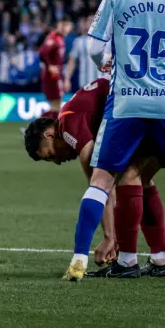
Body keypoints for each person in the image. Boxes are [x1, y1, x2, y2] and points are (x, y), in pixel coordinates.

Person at [65, 0, 165, 281]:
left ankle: (81, 259)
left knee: (102, 180)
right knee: (142, 177)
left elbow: (93, 47)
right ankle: (154, 258)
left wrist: (107, 63)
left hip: (128, 103)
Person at [24, 78, 165, 277]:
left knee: (122, 178)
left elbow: (102, 188)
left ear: (49, 135)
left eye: (50, 155)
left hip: (135, 105)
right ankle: (159, 258)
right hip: (153, 98)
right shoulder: (75, 114)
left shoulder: (68, 127)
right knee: (140, 179)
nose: (56, 162)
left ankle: (127, 262)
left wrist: (110, 237)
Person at [38, 19, 73, 119]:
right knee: (56, 103)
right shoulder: (53, 38)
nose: (68, 29)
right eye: (66, 26)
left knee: (56, 104)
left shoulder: (60, 38)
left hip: (56, 75)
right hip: (51, 76)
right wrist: (49, 66)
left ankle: (36, 127)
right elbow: (42, 52)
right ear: (61, 25)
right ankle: (37, 127)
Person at [64, 15, 109, 94]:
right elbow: (72, 61)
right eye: (90, 21)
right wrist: (67, 79)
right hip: (85, 85)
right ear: (86, 24)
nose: (93, 23)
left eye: (95, 20)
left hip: (103, 84)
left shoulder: (107, 41)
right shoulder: (79, 41)